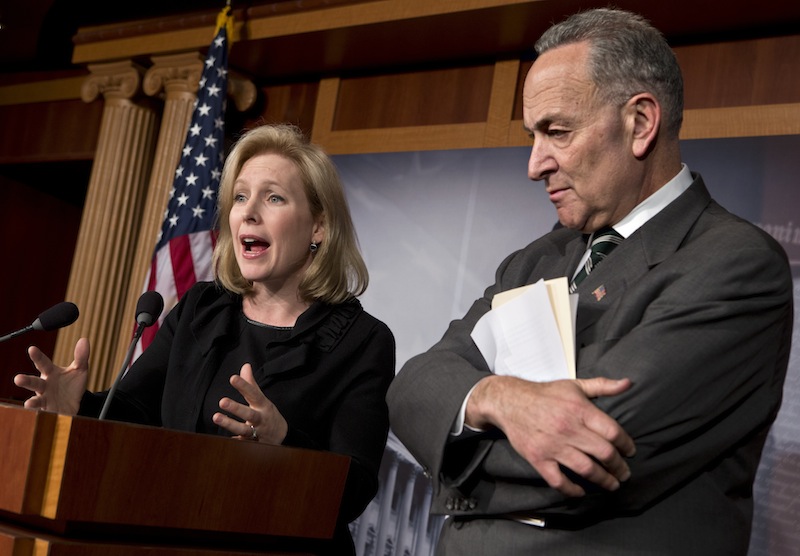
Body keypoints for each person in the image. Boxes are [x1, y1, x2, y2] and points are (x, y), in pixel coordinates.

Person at [387, 8, 793, 555]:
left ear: (640, 123)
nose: (534, 165)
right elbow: (414, 386)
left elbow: (586, 453)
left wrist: (452, 437)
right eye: (533, 135)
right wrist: (497, 395)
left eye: (557, 131)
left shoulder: (735, 264)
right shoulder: (535, 259)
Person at [14, 123, 395, 555]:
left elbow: (356, 487)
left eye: (273, 197)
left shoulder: (363, 341)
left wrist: (282, 440)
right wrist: (78, 407)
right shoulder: (202, 308)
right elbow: (137, 412)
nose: (248, 212)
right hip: (171, 539)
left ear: (318, 228)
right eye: (239, 196)